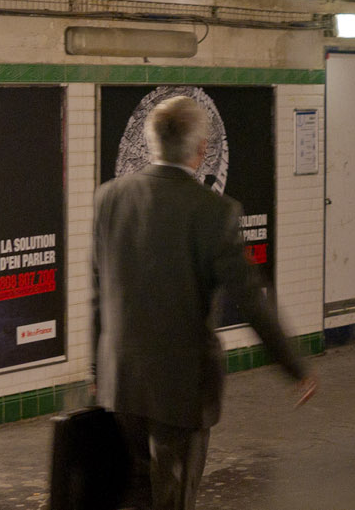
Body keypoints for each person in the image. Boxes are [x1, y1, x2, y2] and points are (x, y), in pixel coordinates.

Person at [90, 97, 316, 510]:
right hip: (181, 385)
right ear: (201, 150)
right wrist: (293, 366)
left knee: (137, 492)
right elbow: (249, 299)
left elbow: (98, 292)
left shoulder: (110, 197)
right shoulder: (215, 211)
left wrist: (95, 368)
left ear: (152, 142)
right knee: (174, 497)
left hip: (120, 378)